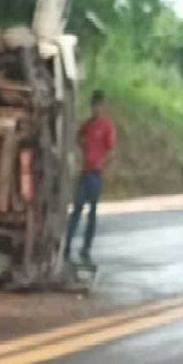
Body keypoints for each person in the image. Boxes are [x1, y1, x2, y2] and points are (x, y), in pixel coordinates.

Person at [64, 89, 116, 264]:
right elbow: (79, 137)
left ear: (102, 107)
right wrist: (82, 149)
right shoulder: (87, 125)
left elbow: (110, 149)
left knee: (92, 211)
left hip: (96, 174)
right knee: (77, 208)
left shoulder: (106, 126)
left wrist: (103, 163)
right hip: (85, 172)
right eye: (94, 106)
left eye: (99, 107)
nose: (96, 110)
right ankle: (67, 244)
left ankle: (86, 248)